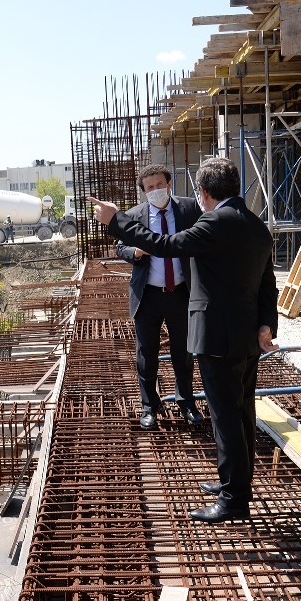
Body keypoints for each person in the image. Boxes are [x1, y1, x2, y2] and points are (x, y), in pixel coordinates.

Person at [89, 157, 278, 524]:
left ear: (204, 193)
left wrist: (116, 221)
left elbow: (165, 244)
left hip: (217, 338)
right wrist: (267, 324)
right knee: (242, 414)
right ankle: (234, 482)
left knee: (226, 418)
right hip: (247, 337)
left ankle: (234, 500)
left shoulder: (212, 222)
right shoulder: (256, 226)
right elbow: (268, 282)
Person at [116, 163, 204, 430]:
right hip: (148, 296)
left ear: (169, 184)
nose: (155, 191)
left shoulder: (189, 209)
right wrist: (136, 252)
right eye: (149, 188)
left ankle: (186, 402)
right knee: (146, 355)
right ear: (143, 192)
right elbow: (120, 247)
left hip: (181, 293)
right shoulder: (133, 215)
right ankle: (149, 405)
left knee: (184, 352)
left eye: (159, 185)